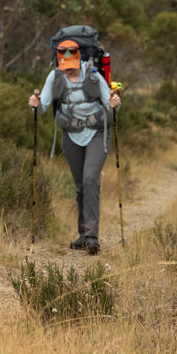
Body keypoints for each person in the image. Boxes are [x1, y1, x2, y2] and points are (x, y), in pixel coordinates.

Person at [27, 38, 121, 254]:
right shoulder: (55, 76)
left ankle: (92, 237)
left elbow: (110, 103)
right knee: (80, 185)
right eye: (64, 67)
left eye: (72, 68)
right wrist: (35, 104)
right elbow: (42, 108)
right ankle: (83, 234)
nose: (69, 72)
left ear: (79, 60)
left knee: (90, 179)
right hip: (71, 135)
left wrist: (116, 103)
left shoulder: (93, 75)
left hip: (98, 133)